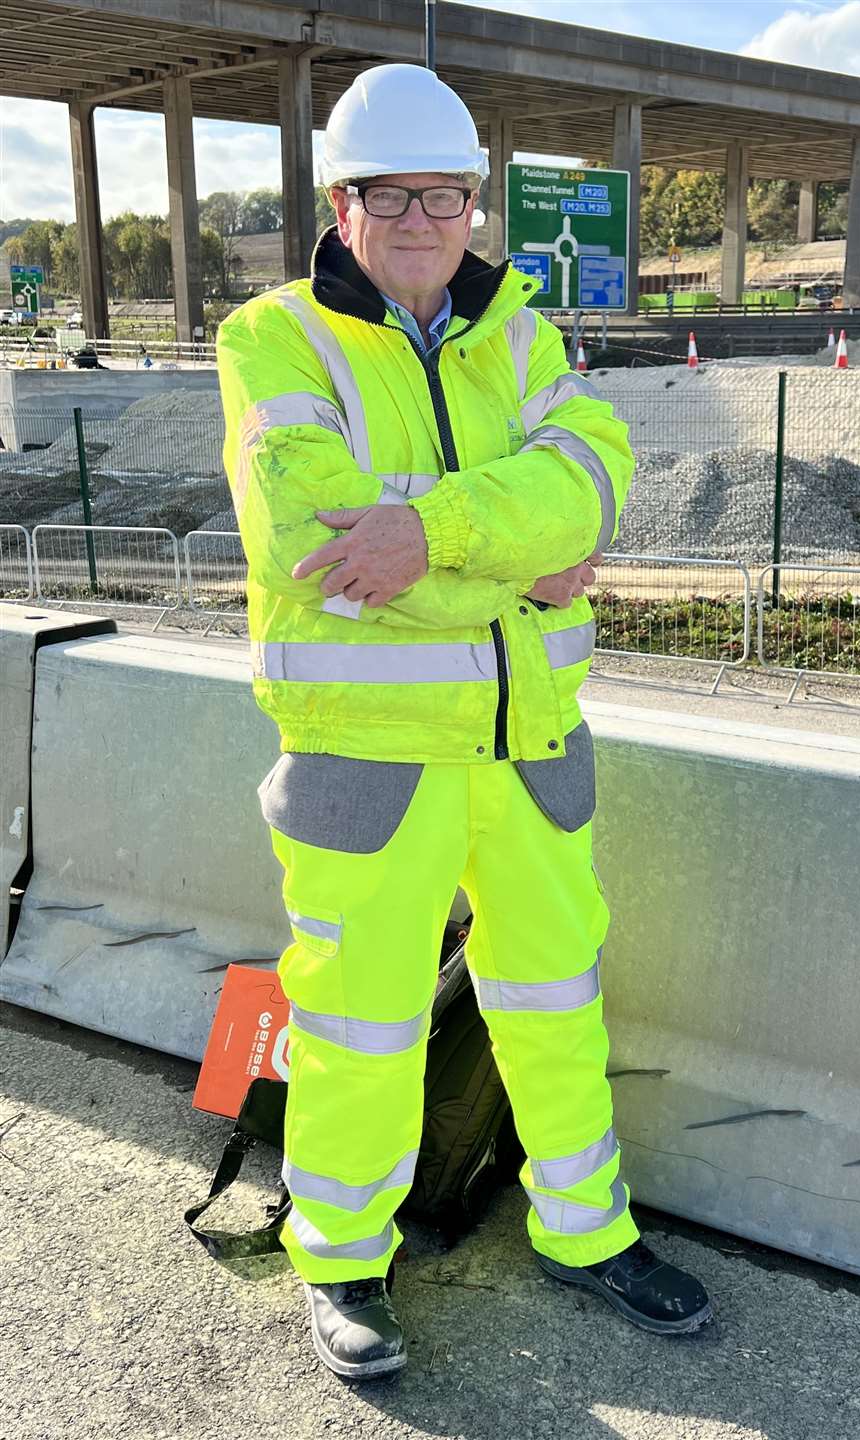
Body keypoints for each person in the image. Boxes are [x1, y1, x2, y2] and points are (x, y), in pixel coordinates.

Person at [217, 63, 710, 1380]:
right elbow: (323, 541)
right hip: (365, 762)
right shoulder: (273, 340)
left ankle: (585, 1230)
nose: (428, 218)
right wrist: (518, 542)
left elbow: (596, 478)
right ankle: (342, 1260)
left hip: (529, 740)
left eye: (450, 194)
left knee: (554, 997)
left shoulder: (524, 333)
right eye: (396, 194)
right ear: (342, 200)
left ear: (475, 202)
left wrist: (426, 526)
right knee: (358, 1019)